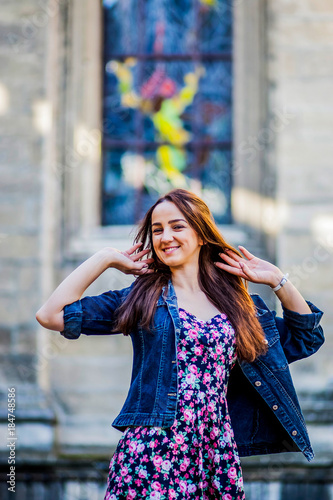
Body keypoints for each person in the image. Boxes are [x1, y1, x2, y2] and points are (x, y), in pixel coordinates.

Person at [36, 188, 324, 500]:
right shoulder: (141, 298)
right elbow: (50, 315)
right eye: (157, 230)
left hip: (215, 453)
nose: (165, 237)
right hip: (152, 452)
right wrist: (104, 258)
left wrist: (278, 281)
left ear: (201, 234)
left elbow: (305, 337)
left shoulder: (240, 307)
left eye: (177, 226)